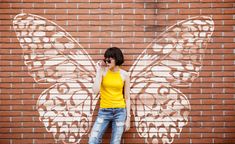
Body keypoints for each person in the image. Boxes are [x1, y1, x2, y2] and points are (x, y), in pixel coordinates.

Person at [88, 47, 131, 144]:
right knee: (93, 140)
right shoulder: (103, 72)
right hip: (104, 111)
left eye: (109, 59)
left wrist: (128, 118)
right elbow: (95, 91)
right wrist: (98, 72)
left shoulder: (125, 75)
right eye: (105, 59)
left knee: (115, 142)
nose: (106, 61)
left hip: (120, 112)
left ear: (117, 59)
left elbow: (127, 97)